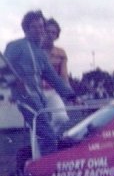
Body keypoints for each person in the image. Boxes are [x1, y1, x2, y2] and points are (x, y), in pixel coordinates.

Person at [4, 10, 77, 156]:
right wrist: (15, 84)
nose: (39, 30)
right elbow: (4, 69)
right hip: (25, 98)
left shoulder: (40, 53)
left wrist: (72, 96)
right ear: (26, 29)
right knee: (47, 134)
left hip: (40, 98)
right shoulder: (15, 46)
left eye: (41, 26)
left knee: (43, 132)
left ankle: (39, 164)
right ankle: (49, 170)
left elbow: (53, 77)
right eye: (34, 27)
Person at [42, 18, 70, 134]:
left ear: (57, 35)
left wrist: (70, 95)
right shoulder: (34, 50)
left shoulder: (60, 53)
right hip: (35, 92)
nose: (50, 35)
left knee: (61, 117)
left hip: (52, 91)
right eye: (47, 31)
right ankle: (41, 146)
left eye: (53, 32)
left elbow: (64, 76)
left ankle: (47, 136)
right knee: (37, 123)